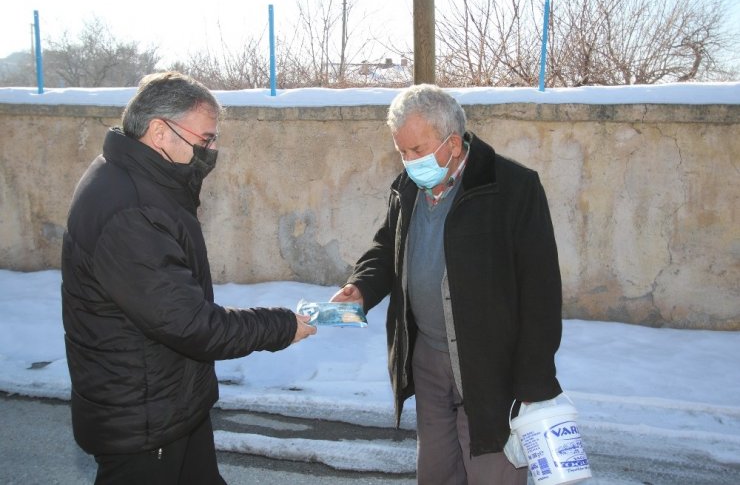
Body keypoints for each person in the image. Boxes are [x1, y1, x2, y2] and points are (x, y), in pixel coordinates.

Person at [61, 71, 316, 485]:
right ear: (160, 132)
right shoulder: (130, 210)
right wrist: (281, 326)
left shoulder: (138, 179)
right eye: (204, 139)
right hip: (143, 418)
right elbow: (188, 323)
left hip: (169, 400)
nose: (211, 150)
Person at [331, 84, 563, 484]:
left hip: (492, 369)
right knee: (436, 474)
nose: (408, 162)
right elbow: (388, 248)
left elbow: (541, 293)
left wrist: (534, 380)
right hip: (429, 360)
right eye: (401, 152)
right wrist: (362, 287)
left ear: (453, 144)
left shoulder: (512, 189)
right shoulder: (407, 189)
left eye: (417, 151)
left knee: (494, 475)